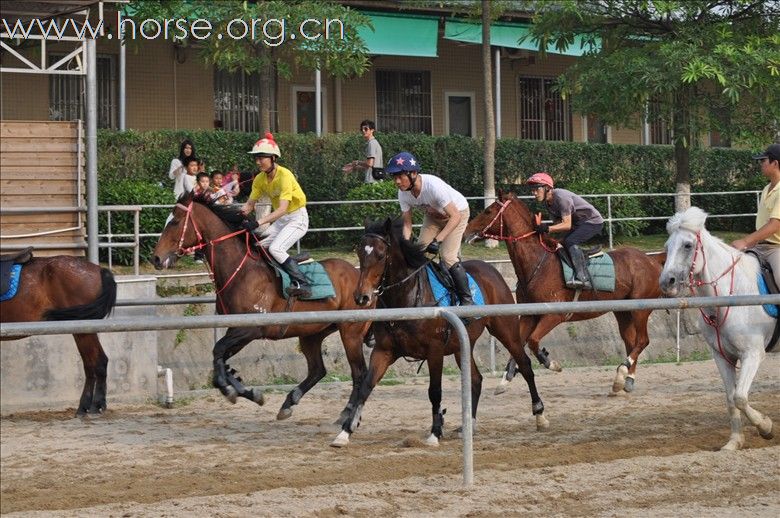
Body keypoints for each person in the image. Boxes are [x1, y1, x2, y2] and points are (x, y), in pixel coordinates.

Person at [385, 151, 473, 306]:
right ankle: (429, 289)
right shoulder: (403, 193)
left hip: (457, 214)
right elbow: (407, 224)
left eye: (400, 176)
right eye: (394, 177)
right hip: (434, 217)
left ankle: (467, 300)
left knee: (447, 257)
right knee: (419, 252)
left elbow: (455, 217)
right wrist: (406, 245)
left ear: (413, 173)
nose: (397, 181)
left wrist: (438, 240)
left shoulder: (433, 186)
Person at [240, 133, 311, 298]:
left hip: (297, 218)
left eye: (261, 158)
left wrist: (257, 223)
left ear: (273, 158)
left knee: (275, 248)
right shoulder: (259, 179)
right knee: (258, 247)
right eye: (256, 158)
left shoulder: (285, 175)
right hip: (281, 220)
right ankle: (292, 262)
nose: (258, 162)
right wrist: (239, 215)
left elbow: (282, 209)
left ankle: (304, 284)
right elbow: (249, 204)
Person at [526, 172, 604, 289]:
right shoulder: (548, 203)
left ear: (547, 188)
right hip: (577, 223)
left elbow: (566, 225)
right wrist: (542, 228)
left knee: (570, 241)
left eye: (536, 189)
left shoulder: (561, 197)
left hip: (592, 222)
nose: (534, 193)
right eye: (532, 190)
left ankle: (583, 278)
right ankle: (579, 256)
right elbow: (558, 224)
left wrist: (547, 228)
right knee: (558, 243)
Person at [732, 143, 780, 288]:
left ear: (775, 163)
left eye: (763, 160)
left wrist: (745, 241)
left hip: (776, 249)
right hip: (759, 247)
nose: (760, 164)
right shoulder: (767, 188)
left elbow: (775, 224)